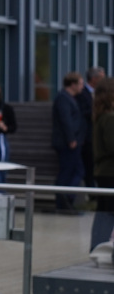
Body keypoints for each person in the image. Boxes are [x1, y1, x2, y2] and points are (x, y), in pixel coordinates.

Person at [53, 72, 88, 212]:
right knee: (67, 171)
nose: (82, 87)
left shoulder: (71, 99)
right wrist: (71, 139)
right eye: (80, 83)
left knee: (77, 170)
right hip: (68, 142)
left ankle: (67, 198)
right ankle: (63, 200)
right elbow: (65, 120)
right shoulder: (63, 98)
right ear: (72, 84)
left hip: (73, 141)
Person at [89, 80, 114, 250]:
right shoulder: (110, 118)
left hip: (104, 172)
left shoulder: (100, 117)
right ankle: (100, 248)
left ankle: (97, 247)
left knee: (104, 213)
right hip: (110, 172)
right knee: (107, 214)